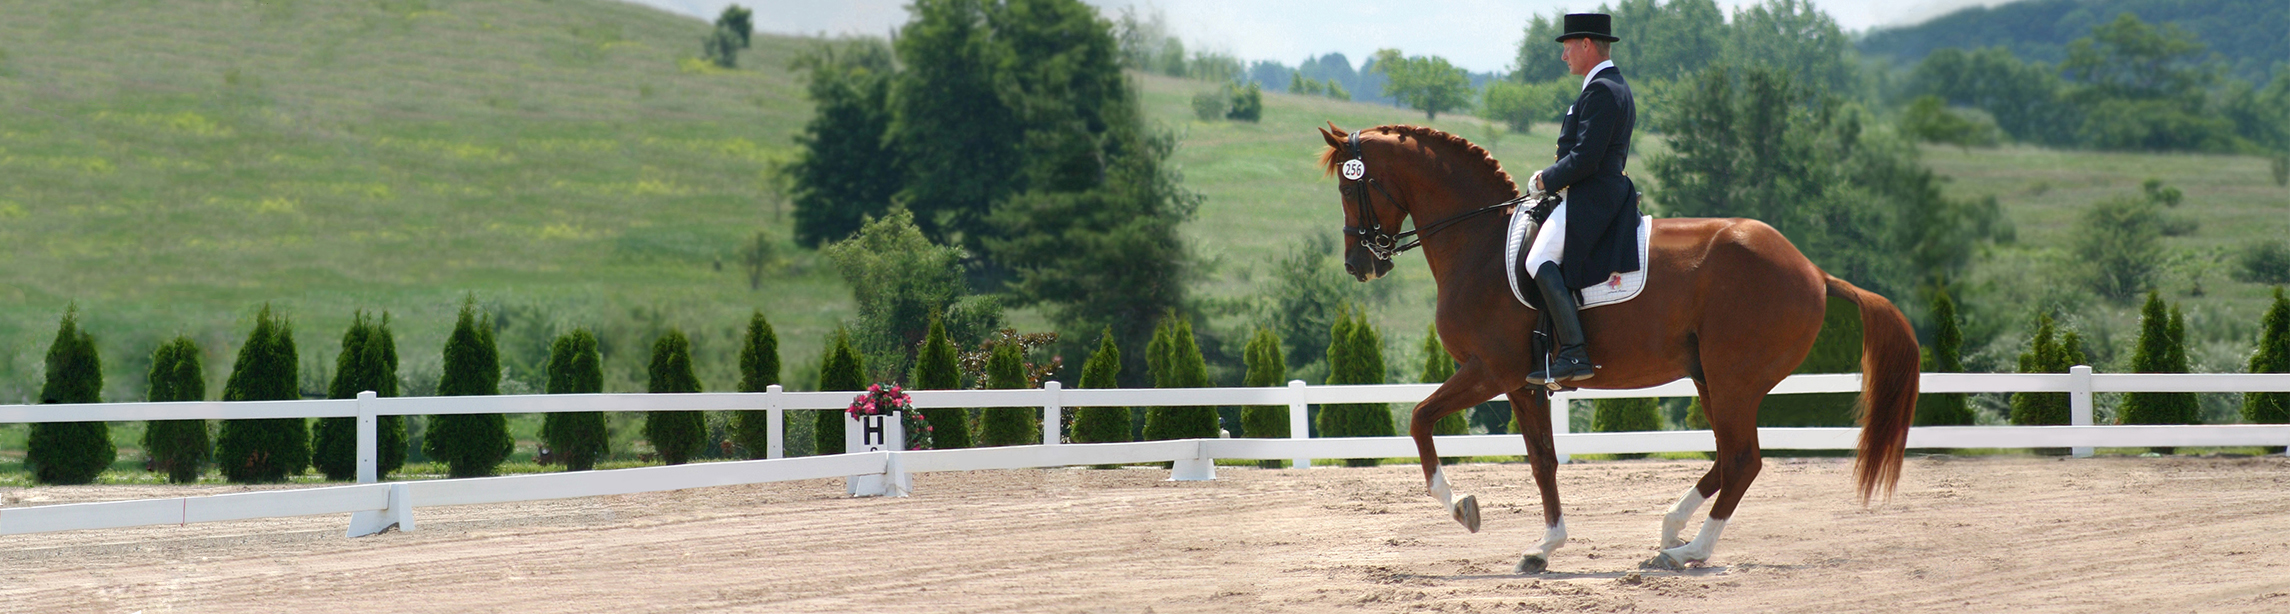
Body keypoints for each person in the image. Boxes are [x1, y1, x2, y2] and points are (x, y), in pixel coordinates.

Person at [1524, 13, 1641, 386]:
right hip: (1594, 191)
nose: (1564, 57)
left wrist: (1545, 179)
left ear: (1587, 44)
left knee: (1537, 258)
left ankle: (1574, 351)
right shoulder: (1608, 85)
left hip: (1594, 197)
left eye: (1568, 47)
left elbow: (1586, 158)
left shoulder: (1603, 90)